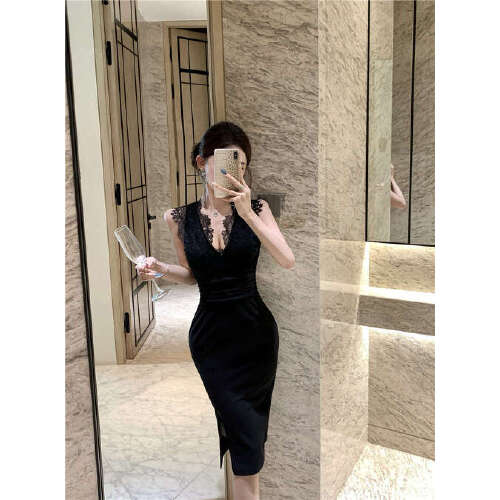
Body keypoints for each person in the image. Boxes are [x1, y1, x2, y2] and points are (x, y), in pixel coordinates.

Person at [136, 121, 295, 500]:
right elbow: (193, 275)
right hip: (211, 343)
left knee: (248, 442)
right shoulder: (178, 218)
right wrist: (160, 268)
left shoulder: (258, 209)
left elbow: (287, 259)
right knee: (240, 433)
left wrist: (247, 212)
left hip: (255, 340)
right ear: (201, 162)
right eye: (225, 162)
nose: (232, 172)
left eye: (241, 165)